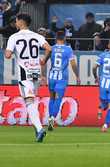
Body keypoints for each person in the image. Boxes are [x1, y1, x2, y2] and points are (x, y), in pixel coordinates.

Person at [5, 13, 51, 142]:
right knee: (32, 101)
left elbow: (8, 55)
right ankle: (37, 131)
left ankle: (40, 128)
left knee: (29, 101)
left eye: (16, 21)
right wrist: (44, 60)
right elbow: (49, 48)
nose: (16, 22)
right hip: (35, 72)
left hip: (25, 73)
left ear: (21, 22)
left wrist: (9, 51)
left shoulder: (14, 37)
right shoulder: (37, 36)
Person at [41, 31, 80, 131]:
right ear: (65, 38)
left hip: (52, 76)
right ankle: (53, 118)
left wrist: (43, 76)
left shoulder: (51, 48)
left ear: (56, 38)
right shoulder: (68, 49)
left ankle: (50, 117)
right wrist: (77, 76)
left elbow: (43, 62)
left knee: (52, 97)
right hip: (61, 77)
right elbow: (73, 64)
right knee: (58, 98)